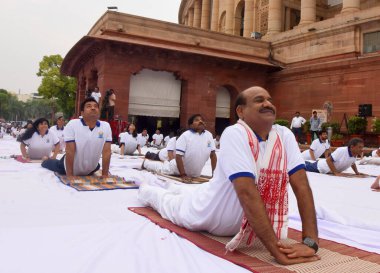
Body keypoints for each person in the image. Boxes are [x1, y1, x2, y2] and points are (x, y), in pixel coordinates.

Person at [138, 87, 319, 265]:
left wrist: (310, 242)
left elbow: (301, 185)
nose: (267, 103)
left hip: (231, 207)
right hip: (210, 214)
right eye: (259, 100)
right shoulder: (235, 133)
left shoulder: (284, 135)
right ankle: (144, 187)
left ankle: (175, 187)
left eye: (269, 100)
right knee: (165, 200)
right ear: (241, 111)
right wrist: (276, 250)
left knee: (185, 190)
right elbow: (247, 192)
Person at [41, 97, 112, 176]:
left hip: (91, 168)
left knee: (97, 166)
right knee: (54, 164)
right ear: (82, 113)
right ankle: (46, 160)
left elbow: (107, 152)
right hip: (68, 167)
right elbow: (70, 151)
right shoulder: (73, 124)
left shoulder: (106, 126)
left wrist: (105, 175)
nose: (93, 108)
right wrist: (70, 176)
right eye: (89, 106)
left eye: (96, 106)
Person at [143, 114, 217, 182]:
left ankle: (166, 162)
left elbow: (213, 155)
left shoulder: (209, 135)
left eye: (202, 120)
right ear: (191, 125)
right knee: (161, 169)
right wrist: (183, 174)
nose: (200, 121)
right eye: (197, 120)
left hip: (195, 173)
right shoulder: (186, 136)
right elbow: (178, 156)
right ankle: (146, 163)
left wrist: (214, 174)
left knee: (166, 164)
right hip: (177, 168)